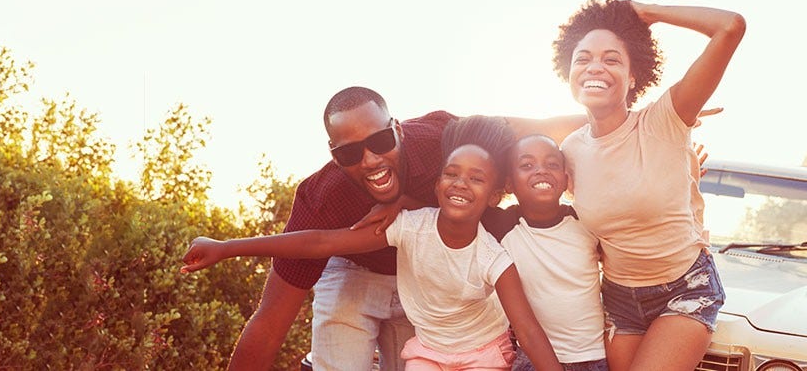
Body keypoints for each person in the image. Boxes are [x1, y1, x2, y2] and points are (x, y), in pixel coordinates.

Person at [231, 86, 591, 371]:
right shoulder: (323, 199)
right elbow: (269, 323)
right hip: (353, 267)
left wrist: (617, 124)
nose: (371, 160)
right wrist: (225, 247)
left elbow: (530, 127)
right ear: (333, 155)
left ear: (397, 130)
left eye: (380, 143)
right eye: (350, 154)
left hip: (423, 277)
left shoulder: (445, 144)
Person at [182, 131, 564, 371]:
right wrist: (227, 247)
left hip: (481, 351)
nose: (461, 183)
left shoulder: (494, 256)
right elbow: (319, 242)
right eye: (451, 174)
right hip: (424, 345)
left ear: (496, 192)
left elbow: (528, 331)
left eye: (476, 178)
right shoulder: (406, 226)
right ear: (436, 183)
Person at [551, 0, 745, 370]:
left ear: (633, 75)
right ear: (569, 72)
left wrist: (649, 13)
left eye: (612, 59)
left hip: (684, 290)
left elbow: (730, 27)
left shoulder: (664, 120)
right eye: (583, 58)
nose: (596, 67)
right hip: (620, 299)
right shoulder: (570, 150)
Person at [483, 135, 607, 371]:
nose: (541, 171)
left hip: (596, 356)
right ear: (509, 184)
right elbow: (453, 210)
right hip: (533, 358)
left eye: (552, 164)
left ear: (565, 179)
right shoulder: (501, 225)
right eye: (527, 165)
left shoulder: (586, 220)